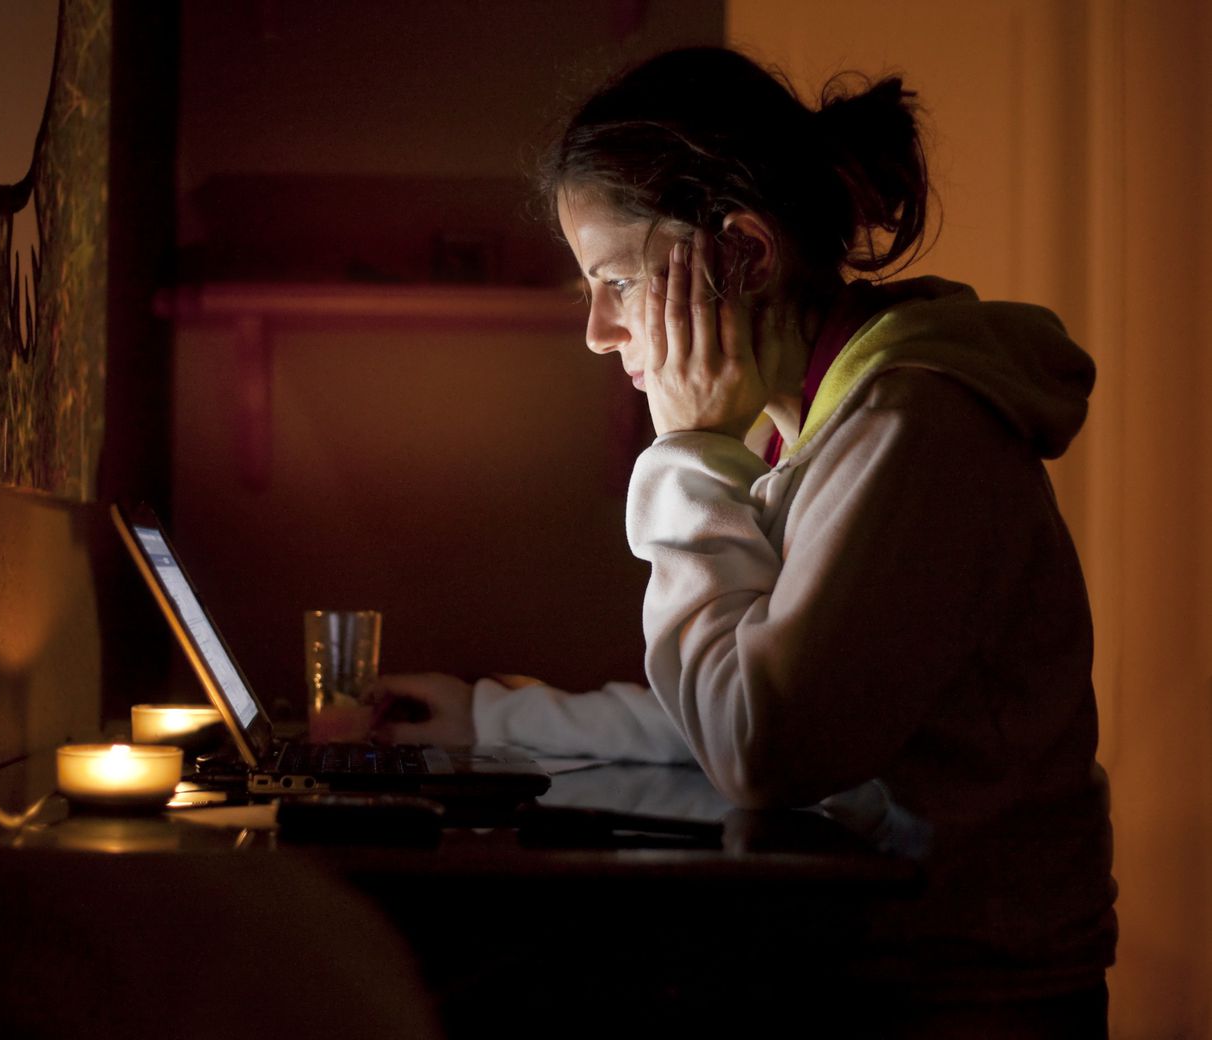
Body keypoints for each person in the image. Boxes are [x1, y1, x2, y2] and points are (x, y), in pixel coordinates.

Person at [370, 47, 1116, 1032]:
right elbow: (726, 703)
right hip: (901, 950)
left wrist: (687, 451)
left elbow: (760, 743)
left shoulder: (910, 430)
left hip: (965, 986)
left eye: (615, 282)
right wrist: (488, 719)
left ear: (747, 255)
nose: (597, 330)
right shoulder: (814, 419)